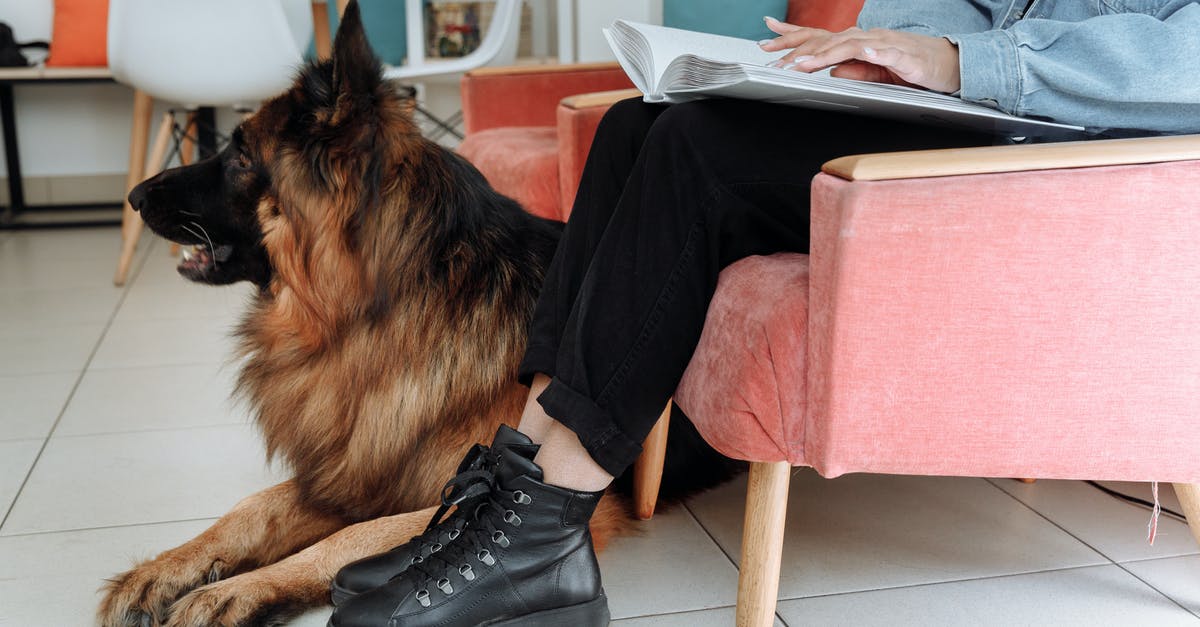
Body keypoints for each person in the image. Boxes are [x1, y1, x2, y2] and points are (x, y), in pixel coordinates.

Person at [331, 1, 1200, 625]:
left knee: (694, 154)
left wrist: (970, 63)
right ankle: (517, 494)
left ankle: (539, 535)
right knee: (641, 122)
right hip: (976, 115)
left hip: (1082, 158)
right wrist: (891, 46)